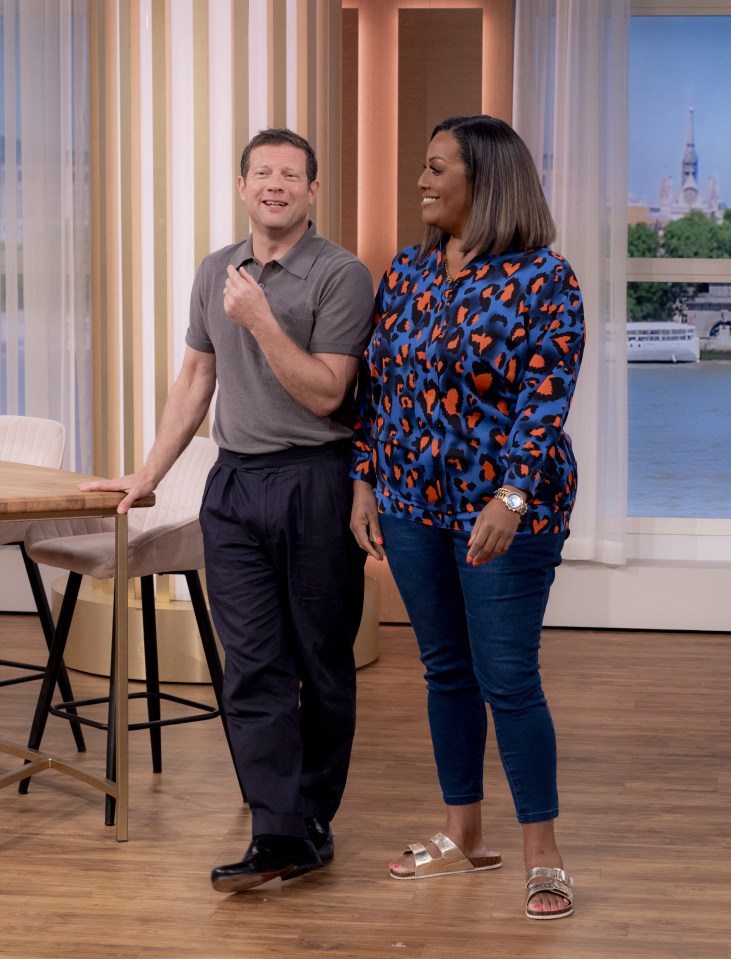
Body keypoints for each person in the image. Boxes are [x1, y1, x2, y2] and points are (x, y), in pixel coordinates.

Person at [81, 128, 374, 893]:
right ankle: (273, 830)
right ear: (242, 187)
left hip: (315, 480)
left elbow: (326, 392)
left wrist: (260, 317)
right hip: (234, 485)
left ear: (313, 191)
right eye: (262, 173)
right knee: (250, 668)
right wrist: (147, 474)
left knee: (320, 663)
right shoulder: (217, 269)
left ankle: (311, 819)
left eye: (291, 174)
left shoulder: (341, 275)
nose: (275, 184)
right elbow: (194, 377)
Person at [350, 115, 584, 920]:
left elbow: (543, 399)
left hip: (508, 514)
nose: (420, 180)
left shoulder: (544, 278)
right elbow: (377, 390)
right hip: (412, 503)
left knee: (508, 677)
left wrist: (511, 498)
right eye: (421, 166)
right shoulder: (409, 271)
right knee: (445, 670)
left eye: (434, 166)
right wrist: (363, 483)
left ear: (484, 180)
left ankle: (542, 854)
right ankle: (462, 836)